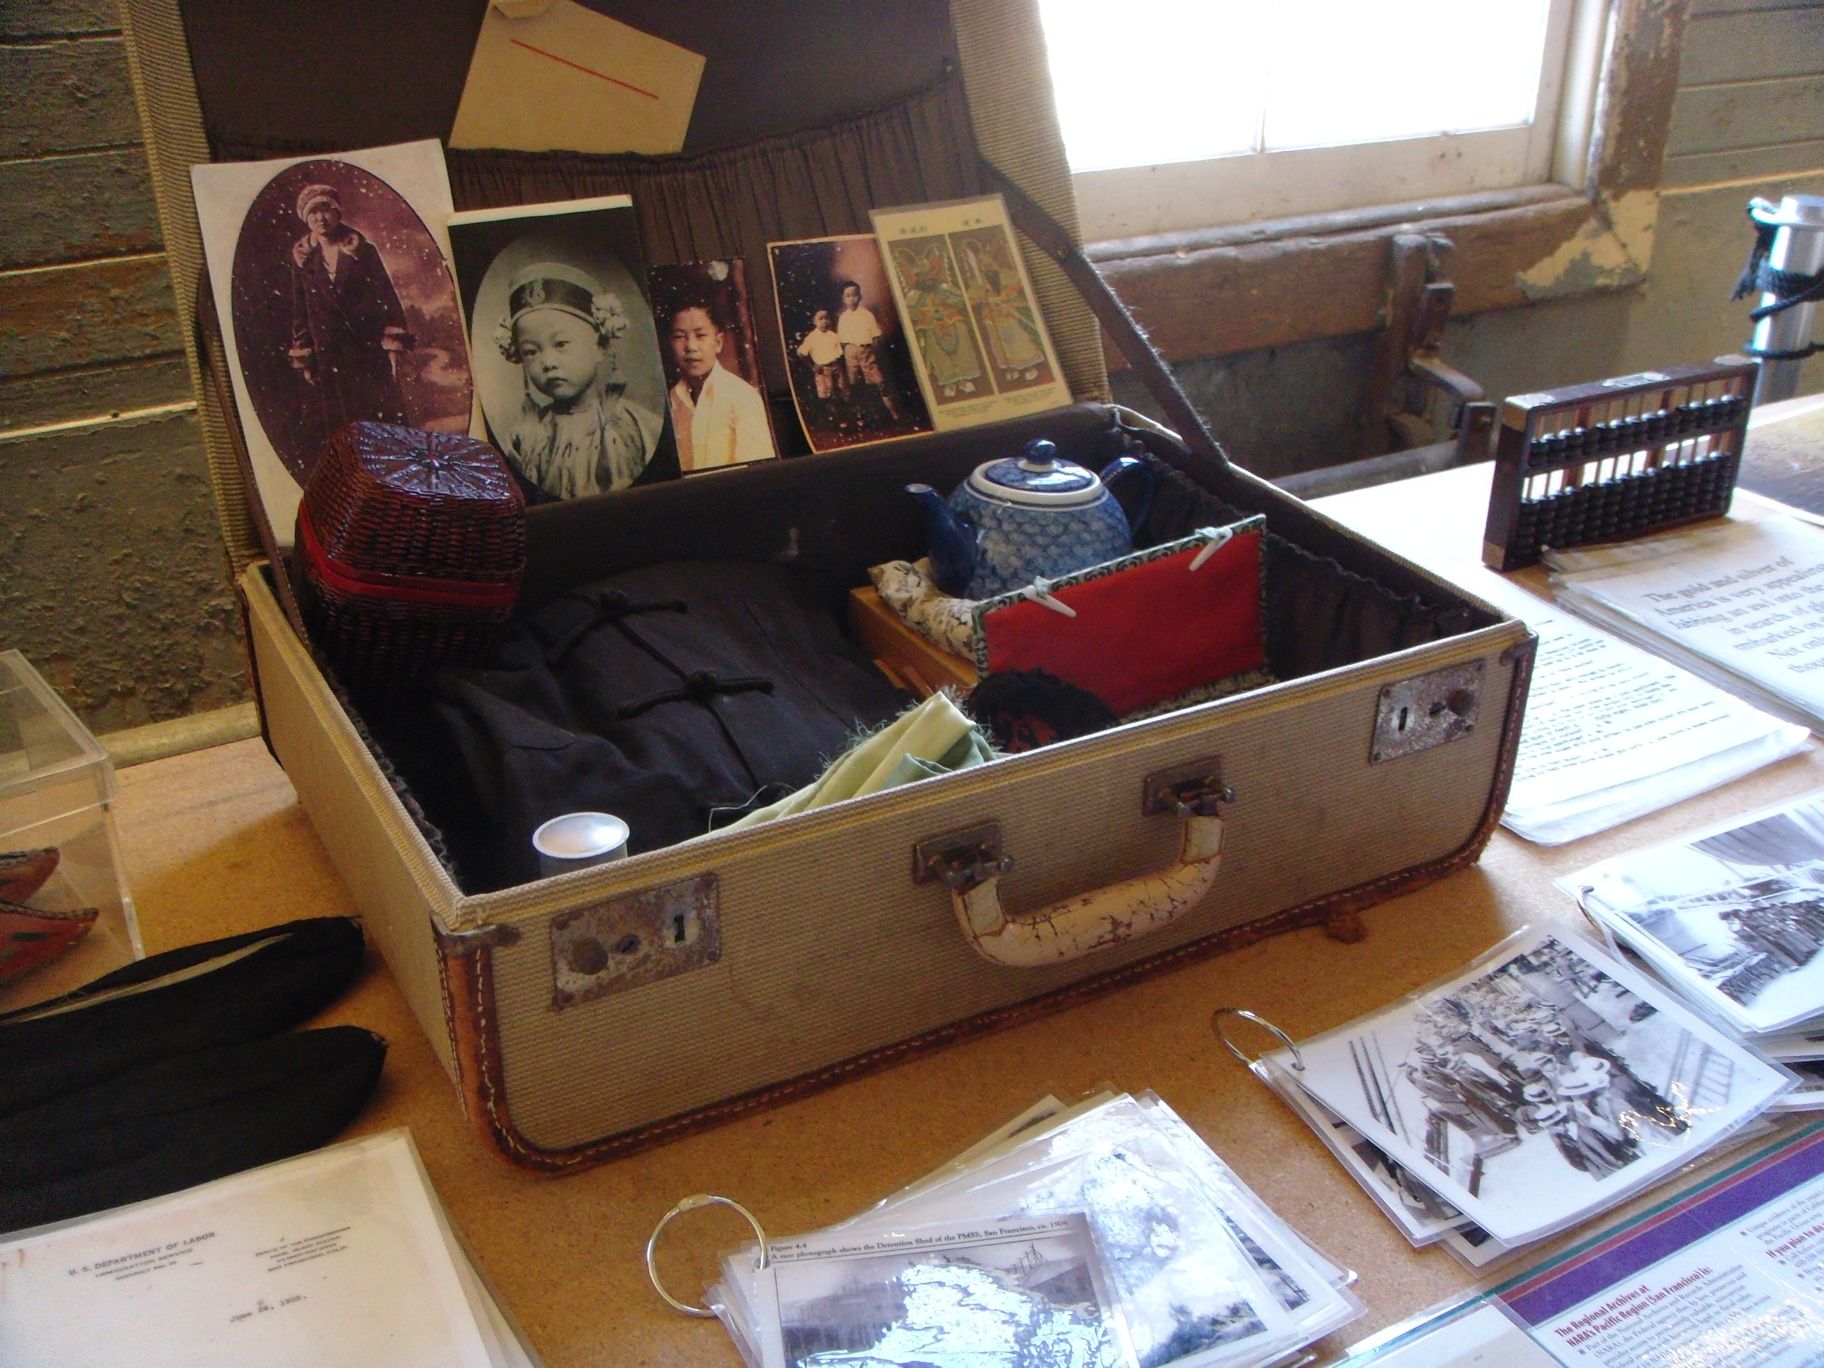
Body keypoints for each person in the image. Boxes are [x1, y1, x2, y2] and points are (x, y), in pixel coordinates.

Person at [495, 263, 662, 500]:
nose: (548, 362)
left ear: (600, 346)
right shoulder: (523, 441)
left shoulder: (639, 428)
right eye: (531, 351)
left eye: (561, 344)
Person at [287, 183, 412, 445]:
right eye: (314, 213)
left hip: (365, 352)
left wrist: (392, 347)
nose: (321, 218)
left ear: (338, 213)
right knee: (339, 428)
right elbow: (301, 311)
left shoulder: (362, 252)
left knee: (380, 422)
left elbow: (386, 299)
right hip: (328, 356)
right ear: (306, 218)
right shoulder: (303, 260)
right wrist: (305, 355)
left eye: (326, 210)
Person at [664, 299, 774, 471]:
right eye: (679, 337)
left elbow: (757, 472)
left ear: (718, 342)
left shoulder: (742, 397)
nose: (691, 347)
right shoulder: (671, 399)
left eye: (700, 335)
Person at [835, 279, 905, 422]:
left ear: (860, 296)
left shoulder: (867, 315)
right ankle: (862, 416)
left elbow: (875, 337)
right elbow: (842, 341)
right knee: (854, 384)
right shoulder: (843, 318)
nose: (852, 299)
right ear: (843, 299)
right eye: (848, 296)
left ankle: (894, 414)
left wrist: (874, 352)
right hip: (850, 353)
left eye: (855, 295)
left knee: (879, 383)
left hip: (867, 352)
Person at [794, 306, 848, 419]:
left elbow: (840, 352)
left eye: (827, 318)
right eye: (821, 319)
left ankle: (844, 416)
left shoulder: (833, 336)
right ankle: (833, 418)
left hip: (836, 367)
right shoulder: (812, 337)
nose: (824, 322)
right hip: (823, 369)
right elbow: (800, 353)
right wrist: (812, 366)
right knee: (828, 394)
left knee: (841, 391)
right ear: (814, 321)